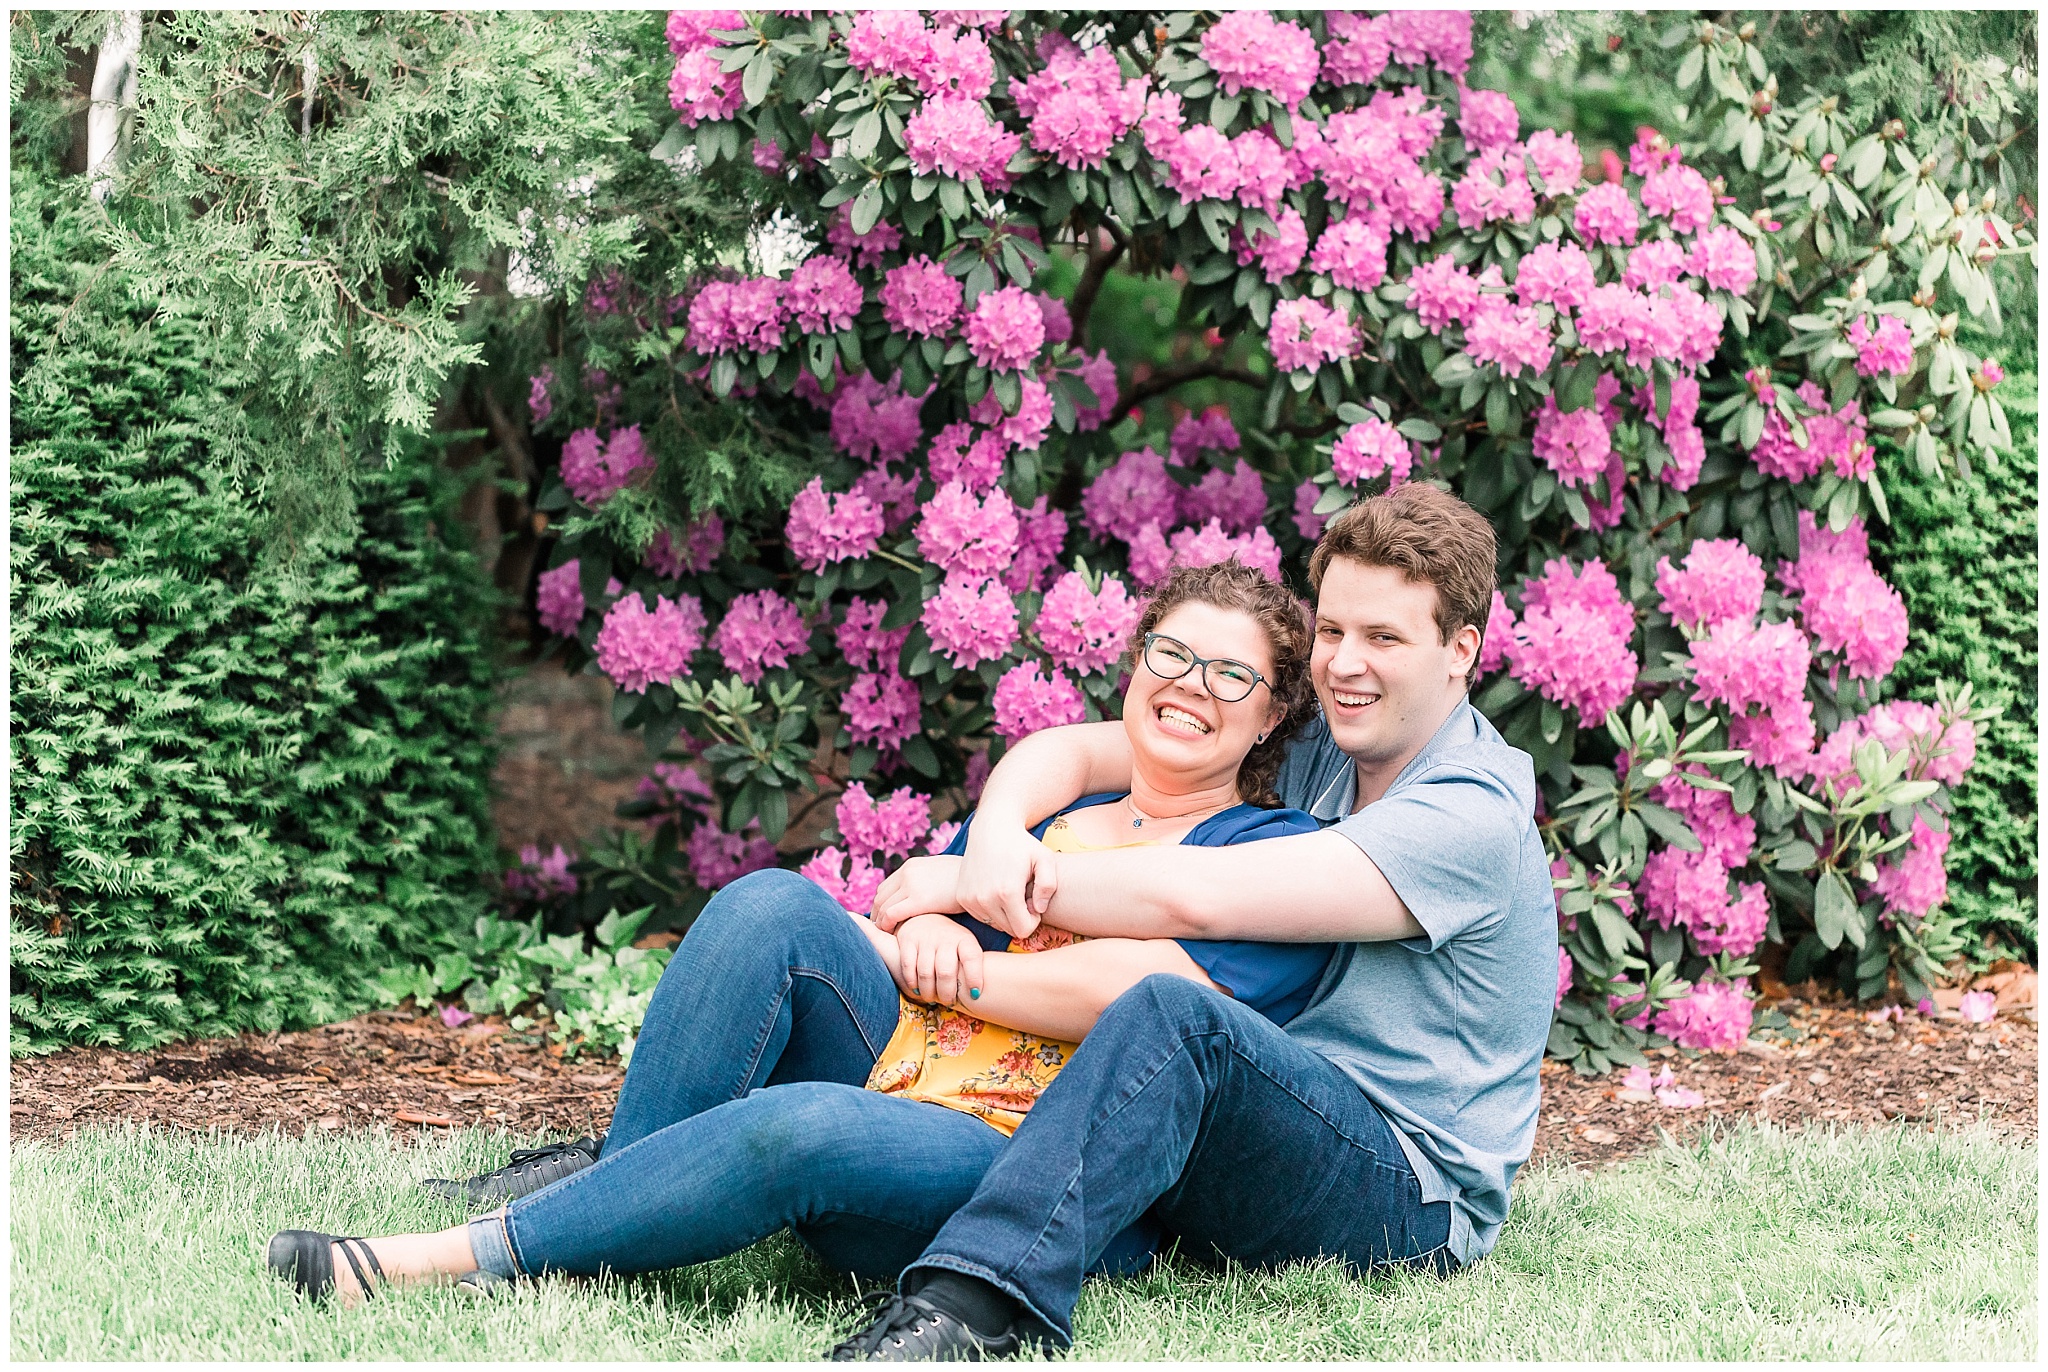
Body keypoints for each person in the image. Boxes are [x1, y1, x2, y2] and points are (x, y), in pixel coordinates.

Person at [264, 562, 1336, 1314]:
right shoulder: (1060, 810)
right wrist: (931, 915)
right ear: (1134, 662)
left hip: (1022, 1161)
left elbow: (1130, 1000)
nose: (1189, 686)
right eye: (1170, 652)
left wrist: (943, 966)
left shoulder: (1272, 857)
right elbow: (902, 908)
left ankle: (440, 1261)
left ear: (1273, 712)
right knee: (771, 903)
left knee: (803, 1124)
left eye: (1229, 675)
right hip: (904, 1067)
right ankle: (617, 1204)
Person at [834, 482, 1557, 1360]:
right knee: (1165, 1025)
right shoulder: (1338, 735)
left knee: (1177, 1013)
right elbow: (1086, 750)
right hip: (1257, 1114)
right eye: (1332, 631)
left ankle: (967, 1311)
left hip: (1404, 1191)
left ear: (1460, 650)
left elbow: (1199, 897)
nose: (1344, 664)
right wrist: (994, 835)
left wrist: (973, 881)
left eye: (1384, 638)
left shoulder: (1470, 813)